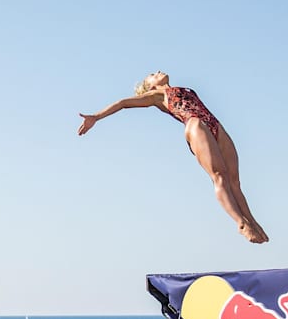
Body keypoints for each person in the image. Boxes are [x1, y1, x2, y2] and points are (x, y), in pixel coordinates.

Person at [78, 71, 268, 244]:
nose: (157, 72)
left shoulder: (182, 88)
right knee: (219, 176)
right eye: (152, 75)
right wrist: (95, 116)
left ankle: (252, 221)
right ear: (149, 87)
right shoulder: (156, 96)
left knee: (234, 181)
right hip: (195, 124)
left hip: (214, 124)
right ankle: (241, 223)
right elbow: (123, 103)